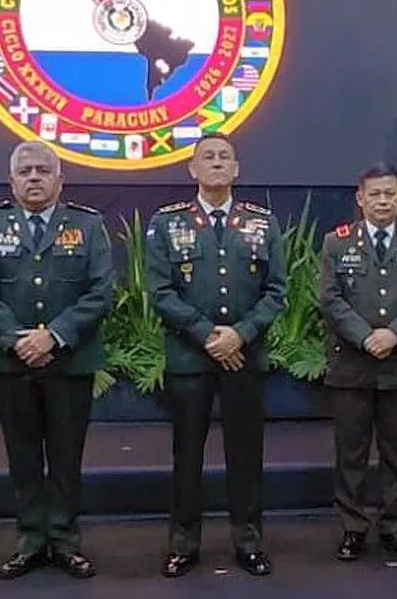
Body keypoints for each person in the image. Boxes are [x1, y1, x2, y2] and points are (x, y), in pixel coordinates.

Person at [0, 141, 113, 580]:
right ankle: (31, 540)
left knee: (66, 457)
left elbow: (100, 291)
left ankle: (64, 541)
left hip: (69, 362)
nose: (34, 177)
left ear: (59, 180)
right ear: (11, 181)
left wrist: (54, 335)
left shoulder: (87, 225)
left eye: (43, 170)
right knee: (23, 457)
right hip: (10, 363)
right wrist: (16, 338)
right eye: (25, 170)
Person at [145, 133, 287, 578]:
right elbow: (160, 291)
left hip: (245, 357)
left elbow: (276, 291)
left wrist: (239, 335)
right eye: (208, 156)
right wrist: (209, 335)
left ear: (237, 168)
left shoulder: (263, 223)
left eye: (225, 156)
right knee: (187, 457)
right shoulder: (167, 223)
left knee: (246, 456)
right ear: (193, 169)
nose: (217, 162)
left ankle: (249, 541)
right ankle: (183, 544)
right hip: (190, 359)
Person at [319, 164, 397, 562]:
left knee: (396, 455)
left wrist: (394, 334)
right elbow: (331, 299)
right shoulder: (337, 243)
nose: (383, 201)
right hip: (352, 367)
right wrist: (365, 336)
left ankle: (392, 527)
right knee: (351, 456)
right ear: (361, 198)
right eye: (375, 194)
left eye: (390, 194)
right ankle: (353, 529)